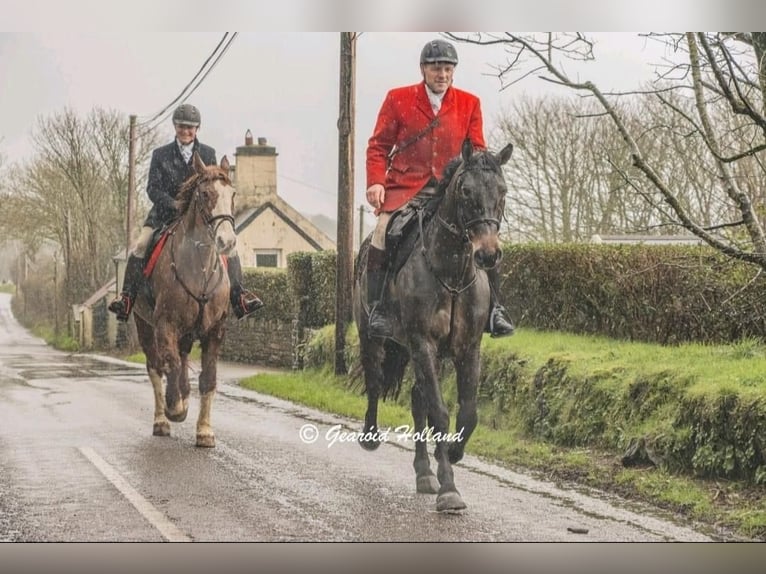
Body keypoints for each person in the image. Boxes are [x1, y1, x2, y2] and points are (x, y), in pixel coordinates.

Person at [364, 38, 514, 339]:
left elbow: (477, 150)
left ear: (453, 71)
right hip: (407, 188)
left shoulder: (470, 103)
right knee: (382, 233)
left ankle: (495, 309)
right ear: (423, 69)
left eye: (447, 68)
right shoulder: (398, 98)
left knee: (487, 237)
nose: (441, 74)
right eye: (435, 68)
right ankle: (378, 308)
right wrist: (376, 181)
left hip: (453, 192)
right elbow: (378, 146)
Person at [108, 103, 264, 322]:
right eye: (182, 126)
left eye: (190, 127)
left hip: (201, 219)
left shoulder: (208, 153)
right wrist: (173, 205)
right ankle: (127, 298)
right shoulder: (160, 154)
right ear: (175, 127)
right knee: (141, 245)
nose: (186, 131)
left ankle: (240, 298)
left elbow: (214, 187)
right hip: (164, 215)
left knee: (230, 247)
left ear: (197, 129)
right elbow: (152, 188)